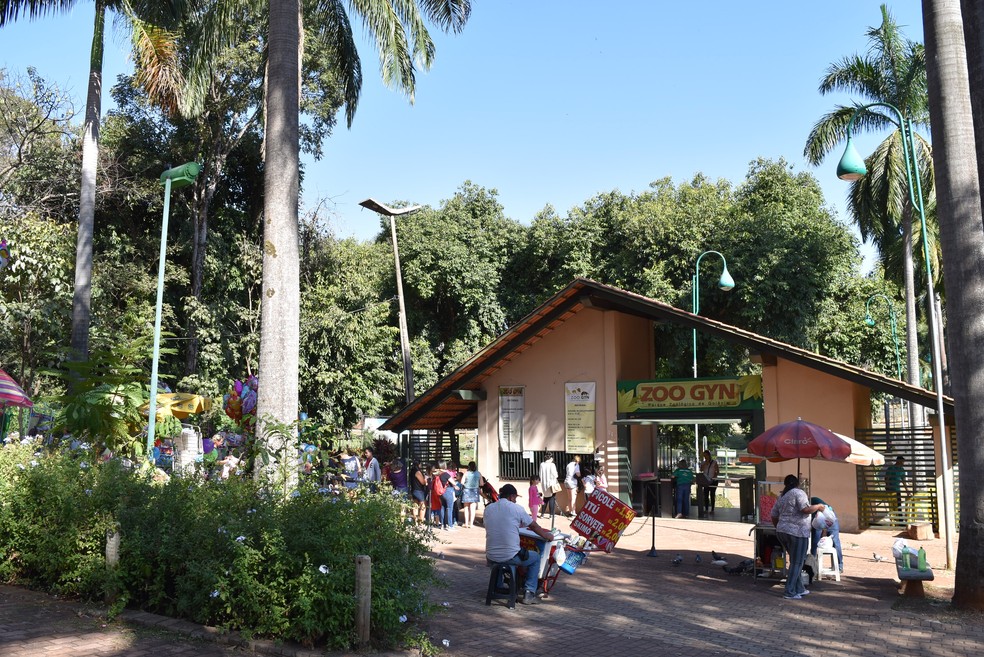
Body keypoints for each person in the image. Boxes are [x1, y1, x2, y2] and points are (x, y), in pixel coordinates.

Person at [484, 483, 556, 605]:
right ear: (511, 497)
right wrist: (546, 535)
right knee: (535, 558)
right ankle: (529, 592)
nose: (515, 500)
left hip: (490, 556)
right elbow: (533, 525)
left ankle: (498, 586)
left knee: (506, 556)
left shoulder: (488, 508)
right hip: (509, 556)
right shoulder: (516, 508)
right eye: (515, 497)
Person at [770, 474, 826, 600]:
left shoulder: (782, 496)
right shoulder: (798, 492)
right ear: (797, 484)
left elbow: (773, 514)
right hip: (797, 532)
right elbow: (805, 510)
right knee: (797, 562)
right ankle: (789, 591)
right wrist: (818, 507)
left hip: (782, 532)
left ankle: (799, 588)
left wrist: (779, 526)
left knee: (796, 560)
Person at [809, 496, 843, 573]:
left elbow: (825, 511)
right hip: (819, 522)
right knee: (815, 543)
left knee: (835, 542)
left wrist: (824, 529)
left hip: (827, 520)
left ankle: (839, 566)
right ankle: (813, 567)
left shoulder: (813, 500)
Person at [698, 450, 720, 518]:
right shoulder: (703, 462)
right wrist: (704, 464)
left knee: (712, 494)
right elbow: (701, 470)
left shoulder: (714, 462)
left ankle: (712, 509)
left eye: (706, 455)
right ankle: (706, 508)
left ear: (709, 455)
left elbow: (717, 471)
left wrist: (714, 477)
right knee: (706, 494)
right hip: (705, 480)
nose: (705, 457)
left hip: (713, 480)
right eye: (704, 456)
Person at [460, 461, 482, 528]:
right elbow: (481, 483)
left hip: (466, 491)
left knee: (466, 508)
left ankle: (466, 523)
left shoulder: (466, 473)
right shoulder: (478, 474)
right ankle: (471, 524)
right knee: (472, 509)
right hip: (475, 491)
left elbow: (462, 482)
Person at [538, 455, 559, 519]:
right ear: (550, 458)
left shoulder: (542, 464)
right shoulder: (552, 465)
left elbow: (540, 474)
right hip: (551, 484)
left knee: (545, 498)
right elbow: (555, 475)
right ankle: (551, 515)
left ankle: (542, 514)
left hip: (544, 484)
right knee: (552, 498)